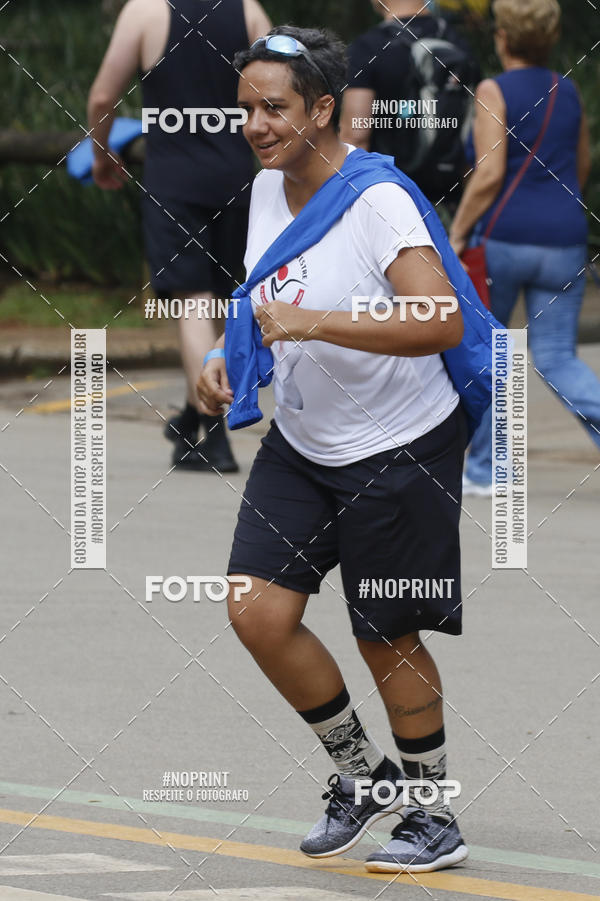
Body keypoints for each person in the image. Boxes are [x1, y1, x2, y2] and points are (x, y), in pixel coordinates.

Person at [197, 24, 476, 873]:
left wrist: (311, 322)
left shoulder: (377, 201)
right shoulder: (265, 188)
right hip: (304, 444)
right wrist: (228, 354)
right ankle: (364, 775)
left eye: (273, 108)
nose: (256, 124)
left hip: (399, 445)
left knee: (384, 633)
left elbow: (440, 318)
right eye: (246, 108)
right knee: (256, 611)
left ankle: (433, 813)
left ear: (322, 109)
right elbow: (268, 292)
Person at [87, 0, 271, 472]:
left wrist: (103, 156)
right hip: (236, 178)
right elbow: (278, 86)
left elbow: (103, 98)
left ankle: (215, 436)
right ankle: (192, 414)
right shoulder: (248, 10)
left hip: (174, 184)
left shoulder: (145, 11)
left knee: (193, 302)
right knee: (225, 302)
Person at [449, 0, 600, 494]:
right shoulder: (568, 90)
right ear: (550, 37)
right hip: (565, 240)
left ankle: (489, 470)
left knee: (494, 352)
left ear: (502, 37)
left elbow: (489, 172)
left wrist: (457, 234)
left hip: (503, 239)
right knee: (557, 358)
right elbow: (581, 165)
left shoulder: (493, 90)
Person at [340, 0, 479, 214]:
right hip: (452, 201)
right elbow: (474, 129)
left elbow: (356, 136)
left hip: (392, 200)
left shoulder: (368, 47)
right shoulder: (458, 43)